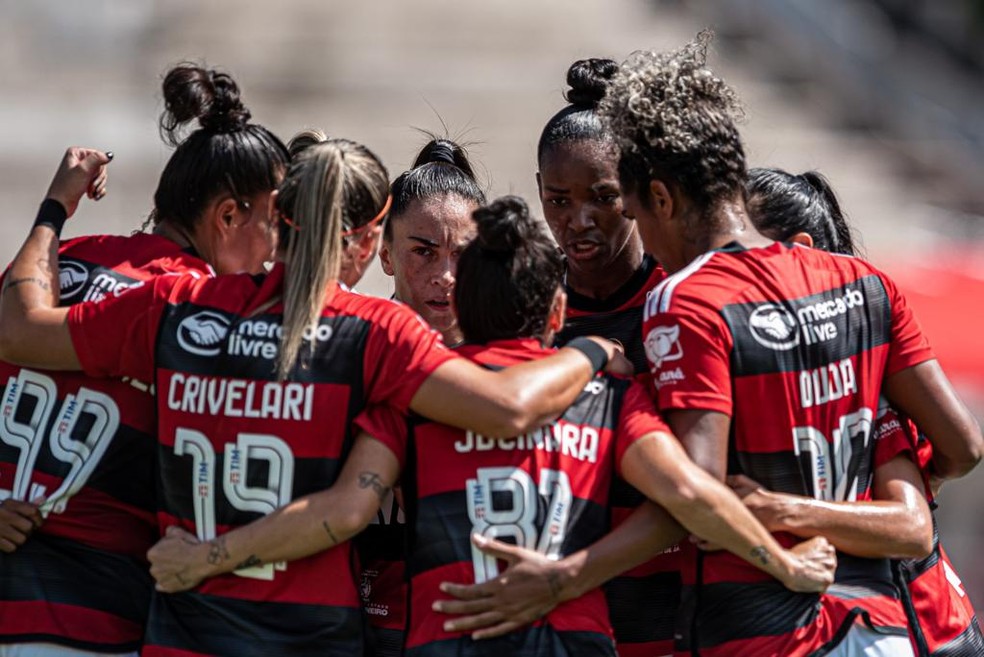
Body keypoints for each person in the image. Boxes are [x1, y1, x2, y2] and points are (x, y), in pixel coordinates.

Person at [0, 137, 630, 657]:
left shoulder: (177, 304)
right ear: (369, 242)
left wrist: (56, 209)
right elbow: (506, 408)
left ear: (278, 216)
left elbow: (21, 332)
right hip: (310, 637)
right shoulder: (375, 333)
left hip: (184, 634)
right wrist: (592, 350)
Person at [144, 195, 837, 657]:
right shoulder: (607, 396)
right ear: (559, 310)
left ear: (462, 309)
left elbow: (349, 506)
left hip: (446, 638)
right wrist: (784, 561)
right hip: (575, 640)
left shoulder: (418, 398)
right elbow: (690, 497)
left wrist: (211, 551)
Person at [595, 31, 981, 656]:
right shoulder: (865, 282)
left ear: (661, 198)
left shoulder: (686, 300)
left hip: (763, 633)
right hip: (881, 630)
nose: (645, 245)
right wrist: (862, 507)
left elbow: (697, 492)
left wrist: (621, 402)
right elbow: (963, 446)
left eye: (638, 217)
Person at [0, 62, 290, 657]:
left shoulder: (54, 260)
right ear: (229, 216)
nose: (280, 248)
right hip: (90, 623)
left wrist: (54, 209)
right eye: (278, 223)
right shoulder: (196, 302)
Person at [743, 167, 984, 656]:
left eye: (740, 252)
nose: (723, 272)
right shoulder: (779, 366)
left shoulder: (859, 363)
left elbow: (918, 515)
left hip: (925, 629)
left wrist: (781, 509)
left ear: (802, 251)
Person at [536, 57, 675, 656]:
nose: (578, 220)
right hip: (563, 617)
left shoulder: (681, 300)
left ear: (641, 192)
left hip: (674, 615)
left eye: (602, 197)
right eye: (558, 200)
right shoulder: (528, 311)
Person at [378, 138, 485, 346]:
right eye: (424, 252)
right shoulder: (356, 354)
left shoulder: (511, 358)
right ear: (386, 257)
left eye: (462, 254)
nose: (445, 277)